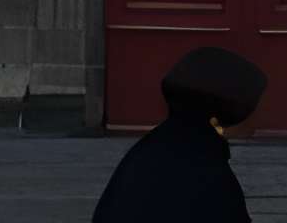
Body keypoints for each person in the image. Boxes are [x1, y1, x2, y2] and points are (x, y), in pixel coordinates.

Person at [92, 45, 266, 223]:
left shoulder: (154, 147)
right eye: (253, 104)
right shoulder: (209, 176)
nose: (261, 113)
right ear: (222, 115)